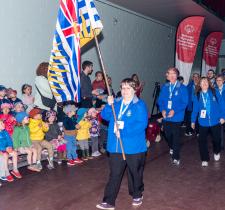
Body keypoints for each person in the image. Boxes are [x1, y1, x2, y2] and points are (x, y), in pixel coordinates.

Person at [96, 78, 148, 210]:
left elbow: (142, 124)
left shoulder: (139, 105)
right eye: (123, 88)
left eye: (128, 88)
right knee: (115, 174)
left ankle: (137, 194)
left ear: (134, 90)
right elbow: (105, 116)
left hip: (133, 146)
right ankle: (109, 201)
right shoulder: (116, 102)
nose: (125, 91)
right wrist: (108, 104)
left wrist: (124, 131)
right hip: (116, 146)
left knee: (134, 173)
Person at [191, 77, 225, 167]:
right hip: (203, 122)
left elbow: (222, 105)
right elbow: (195, 110)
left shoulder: (215, 92)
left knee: (217, 140)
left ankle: (217, 152)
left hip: (216, 121)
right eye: (202, 82)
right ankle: (205, 158)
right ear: (200, 85)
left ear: (209, 83)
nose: (204, 83)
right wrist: (192, 121)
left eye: (206, 81)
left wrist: (222, 116)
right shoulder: (197, 95)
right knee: (202, 141)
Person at [158, 67, 188, 165]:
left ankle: (176, 156)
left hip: (177, 116)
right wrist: (162, 109)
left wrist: (174, 110)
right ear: (167, 76)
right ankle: (171, 146)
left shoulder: (182, 88)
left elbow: (185, 102)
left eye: (173, 73)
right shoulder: (165, 87)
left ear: (177, 75)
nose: (171, 75)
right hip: (166, 116)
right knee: (167, 134)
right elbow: (160, 101)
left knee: (175, 136)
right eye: (169, 73)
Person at [215, 74, 225, 149]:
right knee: (220, 131)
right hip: (218, 114)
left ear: (223, 81)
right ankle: (221, 145)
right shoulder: (214, 90)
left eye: (220, 80)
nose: (218, 82)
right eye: (217, 80)